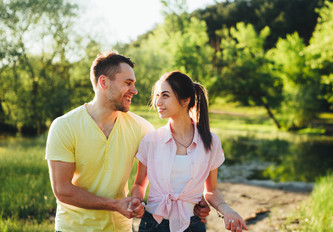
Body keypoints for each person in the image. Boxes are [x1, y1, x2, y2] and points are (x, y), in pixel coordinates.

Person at [45, 52, 209, 232]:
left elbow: (168, 168)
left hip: (120, 228)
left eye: (134, 84)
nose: (135, 90)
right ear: (104, 82)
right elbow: (62, 190)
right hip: (73, 228)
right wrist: (115, 204)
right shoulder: (64, 126)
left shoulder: (141, 128)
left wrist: (194, 200)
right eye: (127, 83)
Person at [131, 71, 248, 232]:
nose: (158, 101)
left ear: (185, 100)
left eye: (165, 95)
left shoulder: (211, 142)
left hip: (193, 225)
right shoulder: (151, 140)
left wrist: (227, 210)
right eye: (157, 95)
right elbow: (139, 184)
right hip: (153, 224)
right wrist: (136, 200)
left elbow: (211, 190)